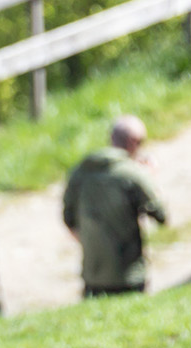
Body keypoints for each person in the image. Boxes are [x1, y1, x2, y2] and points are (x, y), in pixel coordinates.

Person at [62, 116, 169, 297]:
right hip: (129, 277)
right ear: (135, 143)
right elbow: (161, 215)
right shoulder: (133, 174)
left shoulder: (80, 173)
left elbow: (68, 219)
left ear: (112, 138)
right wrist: (148, 178)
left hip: (92, 277)